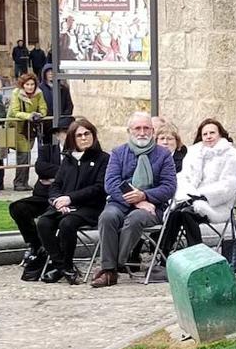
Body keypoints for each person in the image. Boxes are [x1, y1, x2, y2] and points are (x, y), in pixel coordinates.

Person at [92, 111, 177, 288]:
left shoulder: (163, 155)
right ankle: (110, 270)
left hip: (152, 207)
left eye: (146, 128)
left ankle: (112, 267)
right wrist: (136, 200)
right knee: (107, 217)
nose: (142, 132)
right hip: (121, 203)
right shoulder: (118, 152)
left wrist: (146, 196)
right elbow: (111, 183)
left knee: (135, 219)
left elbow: (169, 187)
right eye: (137, 128)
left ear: (153, 131)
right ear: (129, 131)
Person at [36, 119, 110, 285]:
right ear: (72, 139)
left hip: (90, 207)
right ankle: (62, 266)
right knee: (43, 223)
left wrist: (70, 199)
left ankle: (66, 266)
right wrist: (57, 201)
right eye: (79, 135)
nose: (84, 138)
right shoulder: (68, 159)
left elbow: (99, 187)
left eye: (87, 134)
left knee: (67, 224)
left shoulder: (103, 159)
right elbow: (56, 185)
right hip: (64, 205)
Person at [159, 118, 236, 255]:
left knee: (187, 213)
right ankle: (162, 254)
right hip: (190, 199)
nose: (208, 136)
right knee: (175, 213)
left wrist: (202, 196)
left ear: (220, 134)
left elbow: (228, 186)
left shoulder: (231, 155)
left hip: (216, 204)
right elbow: (183, 177)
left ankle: (198, 254)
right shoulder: (194, 153)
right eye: (205, 134)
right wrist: (188, 195)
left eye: (212, 133)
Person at [10, 120, 67, 280]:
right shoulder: (47, 150)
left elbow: (77, 174)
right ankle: (35, 243)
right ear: (57, 134)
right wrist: (64, 174)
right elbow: (40, 168)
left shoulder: (79, 154)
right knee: (17, 207)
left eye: (70, 131)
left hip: (63, 198)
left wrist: (55, 176)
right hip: (43, 196)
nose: (66, 135)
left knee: (49, 219)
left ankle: (50, 253)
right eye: (63, 132)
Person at [3, 72, 48, 191]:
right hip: (13, 127)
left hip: (27, 129)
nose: (30, 86)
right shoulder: (16, 93)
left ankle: (21, 182)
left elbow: (43, 107)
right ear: (23, 85)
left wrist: (39, 114)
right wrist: (29, 116)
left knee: (25, 156)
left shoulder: (38, 93)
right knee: (2, 155)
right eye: (27, 84)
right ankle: (5, 183)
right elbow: (15, 111)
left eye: (32, 84)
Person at [38, 64, 74, 133]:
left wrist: (63, 118)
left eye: (53, 71)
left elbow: (69, 105)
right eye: (48, 72)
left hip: (61, 123)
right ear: (44, 74)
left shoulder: (64, 88)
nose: (51, 73)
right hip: (45, 123)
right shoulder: (39, 89)